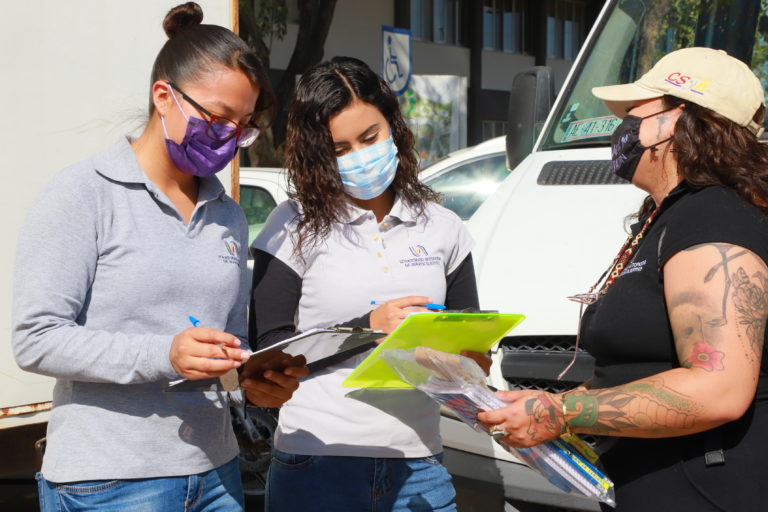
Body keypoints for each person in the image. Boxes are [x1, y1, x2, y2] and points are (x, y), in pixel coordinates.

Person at [11, 3, 306, 510]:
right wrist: (163, 354)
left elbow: (226, 351)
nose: (230, 138)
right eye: (217, 118)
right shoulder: (84, 193)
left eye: (243, 126)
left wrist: (254, 384)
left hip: (216, 475)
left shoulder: (228, 214)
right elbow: (35, 339)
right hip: (108, 481)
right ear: (164, 96)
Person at [477, 47, 768, 511]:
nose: (623, 127)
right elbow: (638, 371)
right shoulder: (670, 217)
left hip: (706, 492)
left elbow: (720, 388)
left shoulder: (713, 219)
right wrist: (545, 410)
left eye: (635, 112)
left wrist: (561, 412)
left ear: (678, 120)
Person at [250, 56, 489, 512]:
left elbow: (472, 341)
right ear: (316, 152)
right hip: (316, 464)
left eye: (369, 137)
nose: (359, 156)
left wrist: (467, 361)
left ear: (393, 128)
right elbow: (268, 348)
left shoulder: (443, 226)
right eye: (339, 148)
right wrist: (368, 327)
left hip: (420, 466)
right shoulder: (291, 225)